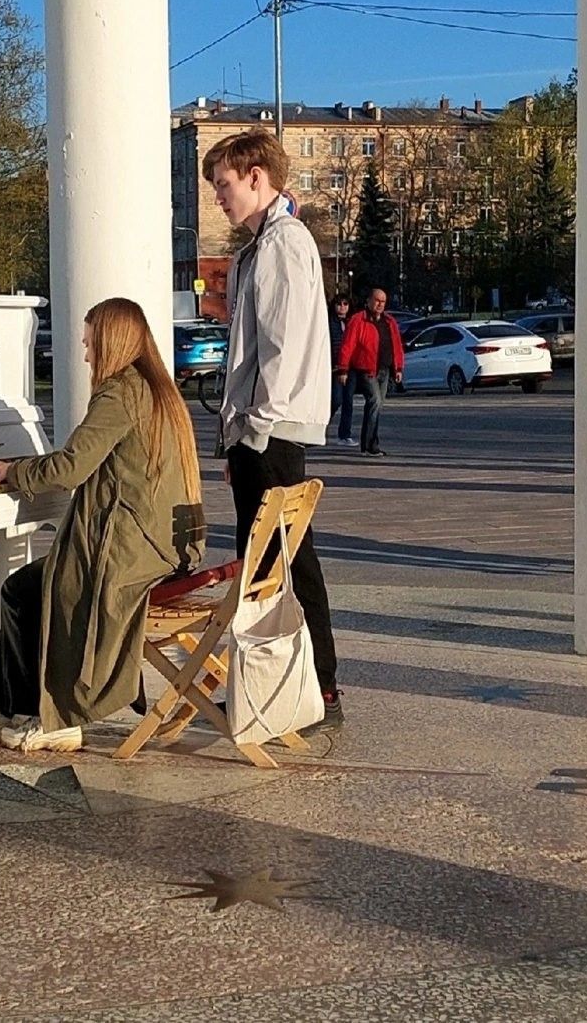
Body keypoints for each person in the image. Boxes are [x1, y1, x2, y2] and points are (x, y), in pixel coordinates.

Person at [0, 297, 205, 753]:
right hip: (166, 546)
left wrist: (16, 472)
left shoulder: (121, 391)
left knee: (30, 590)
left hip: (131, 555)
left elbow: (71, 468)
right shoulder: (158, 388)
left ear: (111, 342)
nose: (85, 354)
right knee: (27, 588)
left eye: (89, 343)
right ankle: (1, 706)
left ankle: (54, 715)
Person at [205, 129, 344, 731]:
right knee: (267, 563)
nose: (218, 198)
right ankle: (270, 685)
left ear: (257, 176)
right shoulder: (256, 249)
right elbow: (252, 346)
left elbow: (283, 351)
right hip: (256, 430)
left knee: (285, 561)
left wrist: (255, 428)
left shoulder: (285, 243)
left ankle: (317, 686)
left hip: (273, 429)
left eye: (224, 185)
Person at [337, 288, 405, 458]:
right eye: (377, 300)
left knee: (377, 404)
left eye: (383, 301)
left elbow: (396, 346)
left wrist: (398, 368)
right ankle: (370, 445)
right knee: (374, 401)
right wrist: (343, 369)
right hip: (366, 370)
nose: (380, 304)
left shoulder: (389, 322)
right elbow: (348, 345)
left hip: (384, 369)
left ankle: (369, 442)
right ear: (368, 301)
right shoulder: (358, 320)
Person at [328, 296, 357, 446]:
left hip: (351, 366)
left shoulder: (352, 321)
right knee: (336, 399)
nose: (342, 307)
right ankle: (323, 426)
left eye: (345, 304)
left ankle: (345, 434)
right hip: (335, 367)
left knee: (348, 401)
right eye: (339, 304)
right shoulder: (329, 322)